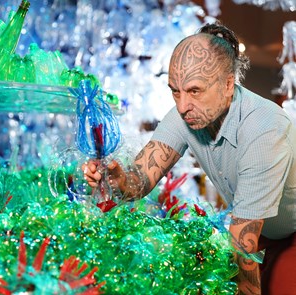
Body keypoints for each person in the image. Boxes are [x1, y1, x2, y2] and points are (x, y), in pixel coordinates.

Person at [83, 21, 296, 295]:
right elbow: (140, 179)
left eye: (194, 91)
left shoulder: (263, 127)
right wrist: (119, 178)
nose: (182, 106)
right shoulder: (186, 115)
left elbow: (243, 240)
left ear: (228, 84)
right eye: (175, 91)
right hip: (259, 231)